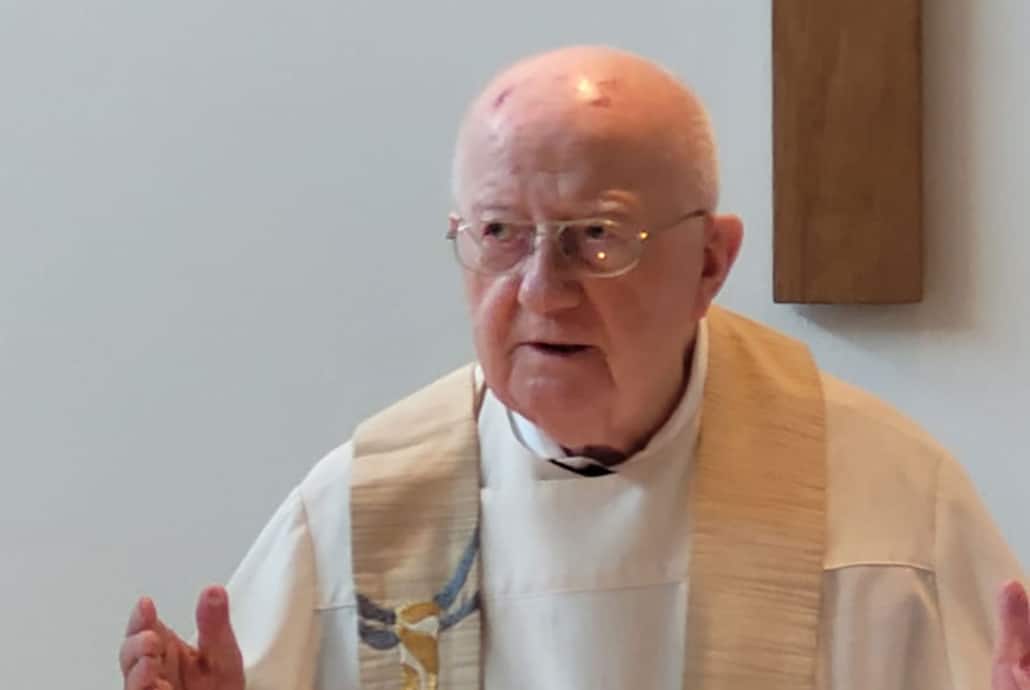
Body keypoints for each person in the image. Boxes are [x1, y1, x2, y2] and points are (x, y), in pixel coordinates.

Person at [119, 45, 1030, 690]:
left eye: (598, 236)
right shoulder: (361, 509)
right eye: (499, 233)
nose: (541, 290)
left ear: (711, 262)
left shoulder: (887, 500)